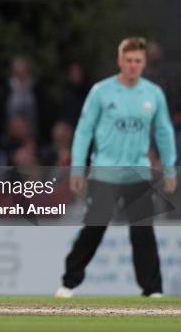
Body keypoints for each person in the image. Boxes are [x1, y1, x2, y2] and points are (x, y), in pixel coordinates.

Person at [55, 37, 177, 298]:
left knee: (143, 231)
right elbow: (84, 131)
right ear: (120, 61)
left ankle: (152, 289)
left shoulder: (153, 93)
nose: (133, 66)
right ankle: (69, 282)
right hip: (105, 171)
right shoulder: (102, 91)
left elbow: (164, 132)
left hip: (138, 172)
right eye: (129, 60)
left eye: (138, 61)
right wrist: (78, 169)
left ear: (144, 63)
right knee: (94, 227)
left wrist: (170, 169)